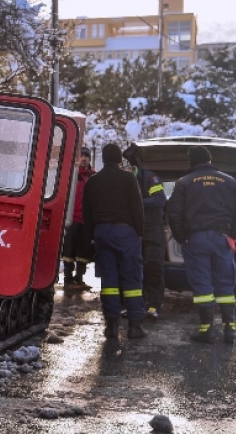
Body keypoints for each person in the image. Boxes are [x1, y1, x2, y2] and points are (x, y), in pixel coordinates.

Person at [166, 146, 236, 344]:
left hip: (196, 239)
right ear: (210, 160)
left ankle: (207, 329)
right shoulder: (230, 181)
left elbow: (173, 213)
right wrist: (232, 235)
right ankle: (230, 329)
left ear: (191, 162)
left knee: (202, 282)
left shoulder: (184, 182)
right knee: (225, 282)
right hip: (222, 238)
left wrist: (182, 237)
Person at [83, 143, 145, 339]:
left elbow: (87, 212)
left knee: (109, 281)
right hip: (126, 232)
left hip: (102, 233)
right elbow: (137, 207)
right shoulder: (128, 178)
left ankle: (111, 325)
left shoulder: (93, 181)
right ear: (120, 159)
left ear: (103, 158)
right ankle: (135, 326)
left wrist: (93, 235)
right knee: (131, 278)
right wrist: (139, 232)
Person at [128, 160, 167, 320]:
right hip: (134, 231)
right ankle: (136, 306)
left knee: (153, 267)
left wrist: (138, 203)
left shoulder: (149, 177)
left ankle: (154, 306)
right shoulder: (127, 179)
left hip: (152, 231)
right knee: (134, 269)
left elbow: (160, 200)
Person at [61, 146, 96, 291]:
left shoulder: (94, 177)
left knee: (84, 252)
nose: (84, 158)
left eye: (86, 156)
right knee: (69, 251)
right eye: (82, 156)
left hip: (87, 221)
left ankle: (79, 278)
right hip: (72, 219)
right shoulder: (71, 175)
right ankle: (68, 279)